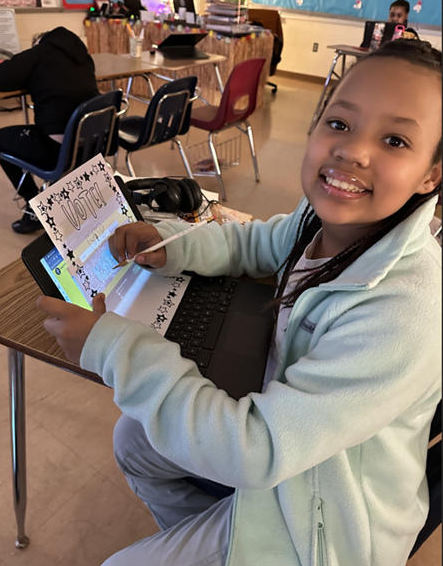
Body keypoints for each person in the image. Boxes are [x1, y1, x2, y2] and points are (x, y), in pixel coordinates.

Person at [37, 39, 442, 566]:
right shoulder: (328, 218)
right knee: (134, 441)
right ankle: (220, 537)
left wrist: (113, 346)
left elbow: (256, 450)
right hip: (288, 440)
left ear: (431, 175)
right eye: (339, 124)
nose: (353, 151)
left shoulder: (404, 311)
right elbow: (256, 244)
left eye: (394, 139)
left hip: (325, 521)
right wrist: (167, 245)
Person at [0, 26, 100, 233]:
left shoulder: (40, 52)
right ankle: (52, 198)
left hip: (57, 151)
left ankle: (35, 207)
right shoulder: (84, 57)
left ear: (39, 42)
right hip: (91, 147)